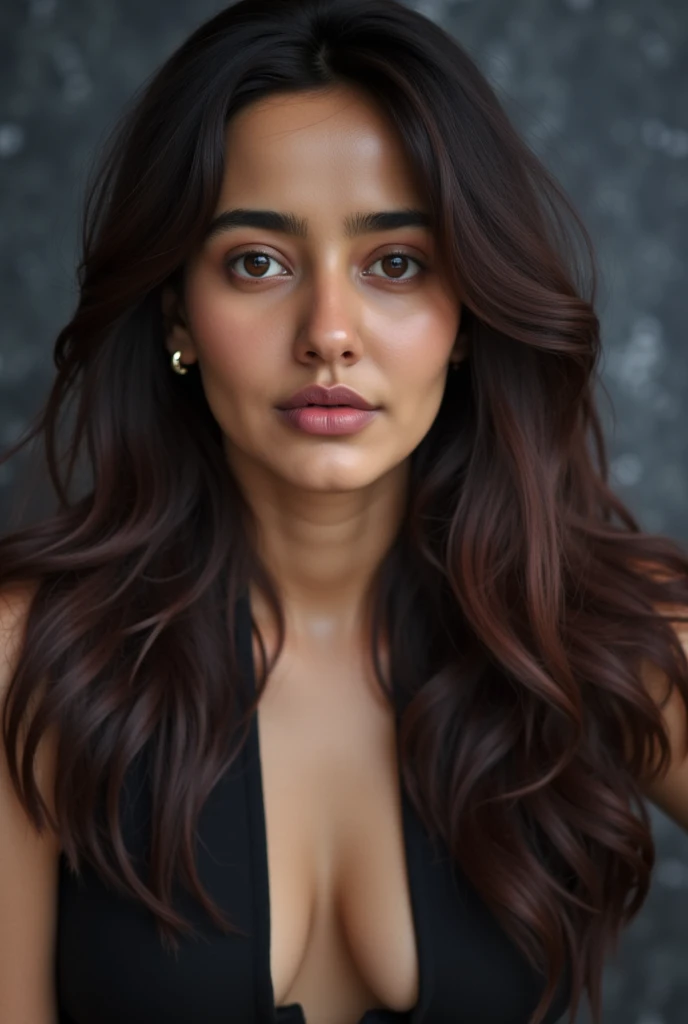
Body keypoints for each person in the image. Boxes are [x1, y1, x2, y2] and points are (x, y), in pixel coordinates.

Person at [1, 0, 687, 1022]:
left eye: (395, 263)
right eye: (257, 262)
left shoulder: (608, 631)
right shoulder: (27, 657)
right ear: (177, 310)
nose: (329, 331)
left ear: (467, 314)